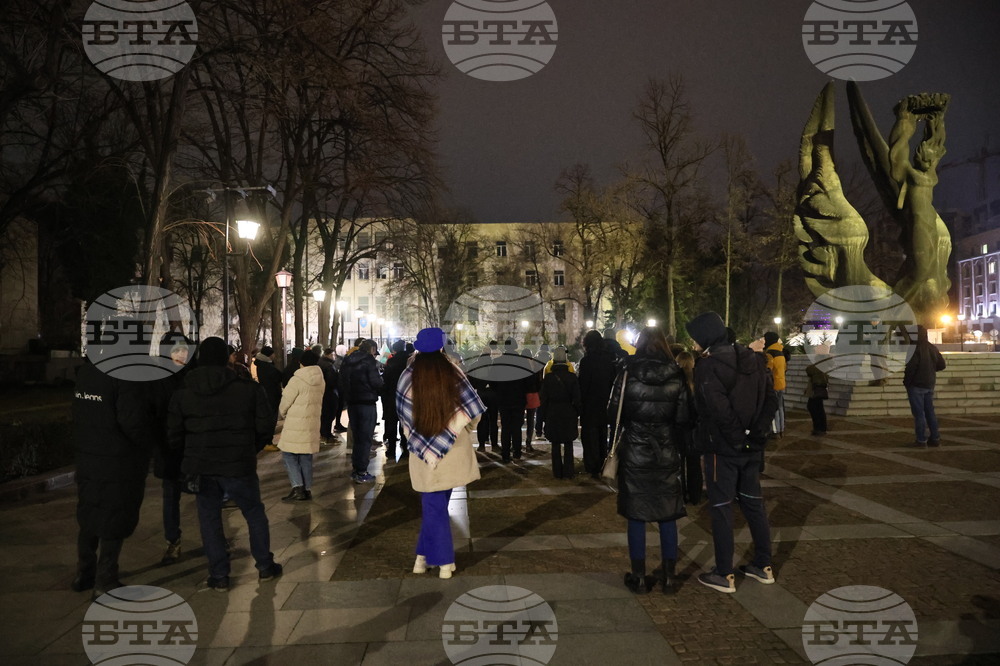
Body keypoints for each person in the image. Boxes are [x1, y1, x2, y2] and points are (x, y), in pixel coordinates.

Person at [168, 337, 282, 591]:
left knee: (209, 519)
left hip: (202, 467)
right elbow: (265, 425)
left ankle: (219, 575)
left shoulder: (184, 393)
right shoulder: (247, 389)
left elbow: (174, 434)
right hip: (238, 465)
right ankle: (264, 565)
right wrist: (249, 449)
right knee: (254, 513)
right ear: (225, 359)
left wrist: (189, 456)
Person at [685, 312, 775, 594]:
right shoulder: (753, 360)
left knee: (722, 508)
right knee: (753, 504)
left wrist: (738, 439)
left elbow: (717, 408)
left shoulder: (708, 366)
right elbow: (770, 400)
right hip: (751, 447)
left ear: (706, 337)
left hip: (722, 448)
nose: (693, 343)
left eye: (695, 338)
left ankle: (724, 573)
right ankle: (764, 564)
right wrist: (755, 435)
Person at [396, 327, 485, 579]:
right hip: (453, 447)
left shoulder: (407, 376)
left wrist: (414, 435)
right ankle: (434, 559)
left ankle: (433, 559)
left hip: (422, 450)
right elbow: (473, 410)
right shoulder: (453, 372)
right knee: (436, 504)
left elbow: (402, 413)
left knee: (433, 504)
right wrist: (462, 427)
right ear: (441, 346)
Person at [607, 327, 689, 595]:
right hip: (666, 449)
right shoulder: (676, 373)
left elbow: (613, 412)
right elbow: (684, 417)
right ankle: (669, 577)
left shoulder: (627, 371)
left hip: (635, 449)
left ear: (639, 344)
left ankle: (639, 577)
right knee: (668, 513)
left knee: (636, 513)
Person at [71, 357, 154, 598]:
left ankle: (85, 573)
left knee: (89, 514)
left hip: (88, 456)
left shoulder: (87, 372)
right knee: (114, 516)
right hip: (117, 461)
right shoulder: (124, 374)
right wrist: (149, 446)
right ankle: (105, 579)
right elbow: (133, 422)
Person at [150, 333, 194, 565]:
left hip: (192, 447)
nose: (182, 354)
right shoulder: (157, 380)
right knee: (170, 496)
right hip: (168, 448)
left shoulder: (191, 377)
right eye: (177, 350)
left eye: (185, 350)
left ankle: (214, 536)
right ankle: (173, 541)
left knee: (205, 493)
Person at [278, 349, 325, 501]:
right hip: (312, 422)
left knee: (288, 454)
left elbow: (285, 402)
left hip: (296, 422)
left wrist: (283, 413)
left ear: (301, 362)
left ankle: (297, 487)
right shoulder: (320, 379)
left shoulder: (297, 379)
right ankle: (307, 489)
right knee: (305, 456)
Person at [339, 339, 384, 483]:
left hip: (352, 403)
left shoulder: (348, 359)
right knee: (365, 438)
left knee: (358, 437)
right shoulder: (369, 361)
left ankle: (356, 468)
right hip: (367, 402)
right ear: (372, 349)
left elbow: (342, 380)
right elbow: (376, 382)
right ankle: (361, 471)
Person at [578, 330, 618, 479]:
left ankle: (592, 465)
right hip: (605, 402)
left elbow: (583, 384)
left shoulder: (586, 361)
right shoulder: (609, 360)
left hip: (590, 403)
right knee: (602, 434)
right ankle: (601, 461)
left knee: (589, 436)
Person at [539, 346, 580, 479]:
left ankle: (557, 472)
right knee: (568, 443)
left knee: (555, 443)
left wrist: (542, 417)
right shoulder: (572, 377)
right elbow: (577, 398)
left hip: (553, 412)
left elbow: (543, 399)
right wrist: (577, 412)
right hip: (568, 411)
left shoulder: (548, 378)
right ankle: (569, 471)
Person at [904, 325, 946, 447]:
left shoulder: (914, 348)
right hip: (929, 383)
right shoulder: (932, 347)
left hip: (916, 384)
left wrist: (907, 382)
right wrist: (930, 370)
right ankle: (935, 438)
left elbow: (911, 368)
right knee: (930, 412)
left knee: (919, 414)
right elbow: (942, 365)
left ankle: (921, 440)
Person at [493, 339, 531, 462]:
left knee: (505, 427)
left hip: (503, 398)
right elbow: (528, 382)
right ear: (515, 347)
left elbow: (493, 382)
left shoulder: (497, 361)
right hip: (518, 398)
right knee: (517, 427)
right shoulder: (522, 361)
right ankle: (517, 452)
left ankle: (505, 454)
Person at [674, 349, 703, 504]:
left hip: (678, 427)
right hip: (694, 428)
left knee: (678, 463)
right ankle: (695, 495)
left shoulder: (675, 382)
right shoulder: (698, 381)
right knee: (694, 463)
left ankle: (680, 494)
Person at [381, 340, 412, 461]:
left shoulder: (391, 362)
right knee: (405, 423)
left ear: (394, 349)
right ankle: (405, 447)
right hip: (406, 397)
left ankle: (391, 449)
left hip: (392, 396)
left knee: (392, 423)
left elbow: (385, 380)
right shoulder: (409, 362)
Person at [467, 344, 499, 452]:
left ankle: (481, 445)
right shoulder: (494, 365)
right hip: (493, 393)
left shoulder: (474, 365)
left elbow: (470, 382)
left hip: (480, 393)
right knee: (493, 420)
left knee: (482, 420)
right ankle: (494, 444)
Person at [314, 346, 340, 443]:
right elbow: (331, 381)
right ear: (328, 355)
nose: (334, 357)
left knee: (325, 415)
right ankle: (326, 435)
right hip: (329, 393)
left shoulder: (320, 363)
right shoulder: (329, 366)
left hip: (323, 392)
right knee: (329, 414)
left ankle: (325, 434)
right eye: (333, 355)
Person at [763, 332, 786, 437]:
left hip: (773, 384)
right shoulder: (781, 352)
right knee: (780, 407)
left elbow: (768, 369)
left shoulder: (770, 353)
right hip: (781, 383)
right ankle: (781, 428)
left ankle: (774, 430)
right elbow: (784, 368)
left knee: (773, 408)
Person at [253, 345, 283, 420]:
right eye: (273, 353)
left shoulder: (262, 364)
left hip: (267, 391)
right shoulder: (267, 366)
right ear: (269, 355)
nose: (274, 355)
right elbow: (278, 376)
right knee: (272, 413)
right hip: (271, 392)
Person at [805, 355, 830, 436]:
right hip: (818, 389)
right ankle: (820, 428)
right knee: (818, 408)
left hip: (817, 390)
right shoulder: (823, 366)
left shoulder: (819, 367)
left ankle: (819, 428)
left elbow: (809, 370)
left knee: (814, 408)